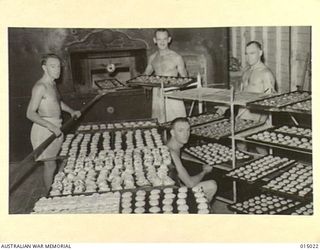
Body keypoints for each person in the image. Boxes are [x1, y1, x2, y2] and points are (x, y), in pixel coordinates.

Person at [26, 54, 81, 193]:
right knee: (50, 165)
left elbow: (57, 103)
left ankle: (54, 191)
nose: (57, 70)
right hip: (44, 130)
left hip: (56, 126)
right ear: (44, 68)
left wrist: (72, 111)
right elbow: (30, 113)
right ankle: (49, 197)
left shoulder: (52, 83)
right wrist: (50, 126)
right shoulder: (40, 87)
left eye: (58, 66)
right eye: (53, 66)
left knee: (54, 163)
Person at [166, 117, 218, 207]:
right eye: (180, 130)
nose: (186, 134)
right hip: (171, 195)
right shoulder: (172, 153)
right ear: (172, 133)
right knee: (212, 185)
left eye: (188, 130)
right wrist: (204, 171)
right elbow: (190, 184)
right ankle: (197, 210)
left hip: (173, 185)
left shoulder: (172, 145)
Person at [237, 41, 276, 154]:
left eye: (252, 53)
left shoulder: (266, 73)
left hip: (257, 116)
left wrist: (262, 121)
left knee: (259, 146)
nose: (249, 57)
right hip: (242, 113)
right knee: (240, 144)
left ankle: (267, 168)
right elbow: (241, 92)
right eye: (246, 53)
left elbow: (270, 100)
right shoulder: (246, 71)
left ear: (260, 53)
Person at [144, 28, 188, 123]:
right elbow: (145, 75)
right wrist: (145, 83)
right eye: (159, 39)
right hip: (157, 93)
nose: (162, 42)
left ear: (169, 39)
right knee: (159, 122)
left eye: (164, 39)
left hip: (172, 93)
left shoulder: (177, 57)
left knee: (177, 122)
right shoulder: (152, 58)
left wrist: (177, 85)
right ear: (155, 40)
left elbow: (185, 78)